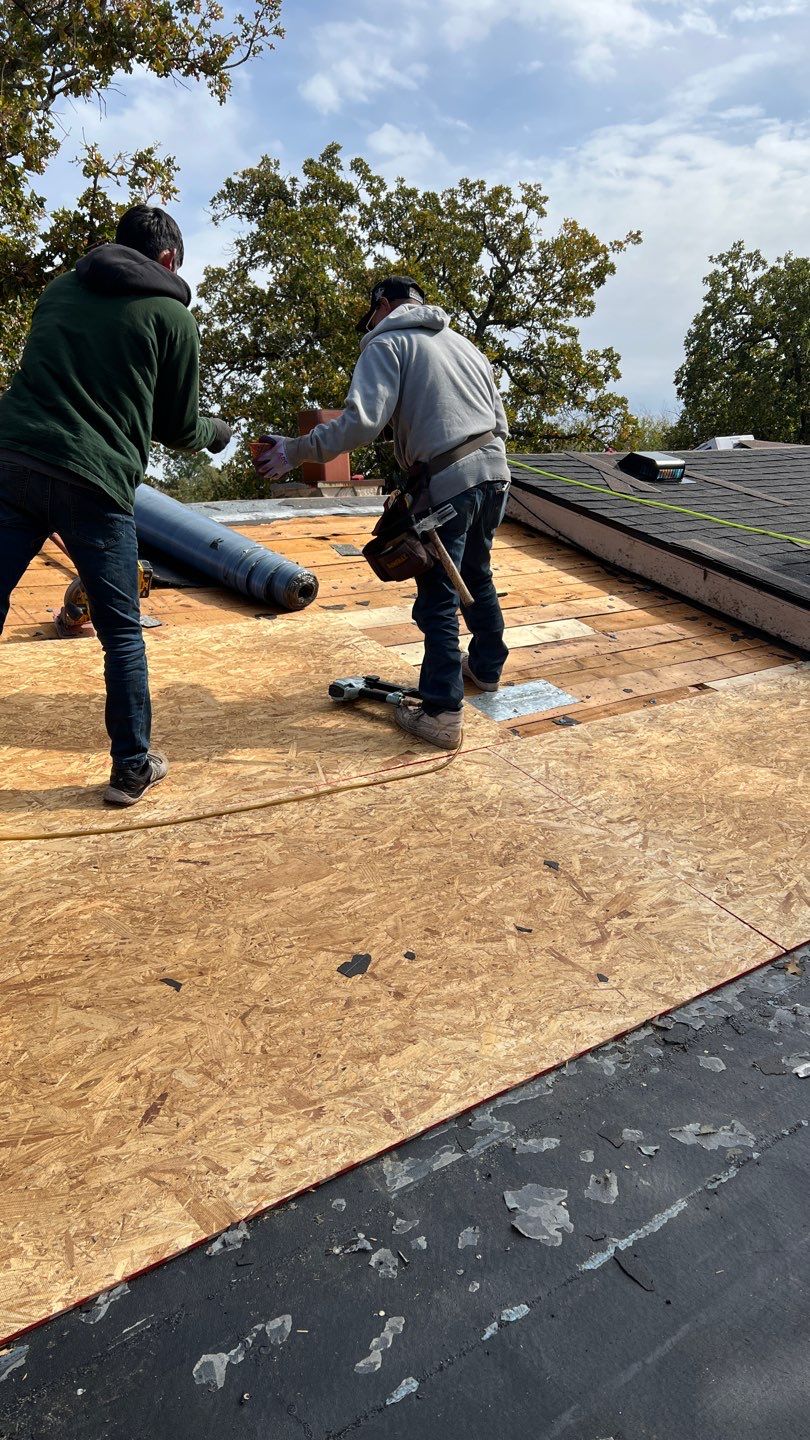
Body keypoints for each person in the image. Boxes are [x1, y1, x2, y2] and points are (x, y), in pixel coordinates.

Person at [0, 205, 232, 804]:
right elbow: (177, 427)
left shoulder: (59, 290)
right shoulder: (172, 317)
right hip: (95, 483)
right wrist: (217, 431)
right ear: (168, 259)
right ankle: (131, 767)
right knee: (121, 633)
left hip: (12, 461)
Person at [255, 275, 511, 749]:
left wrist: (293, 450)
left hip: (448, 481)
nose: (369, 325)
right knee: (476, 573)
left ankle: (442, 713)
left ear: (383, 307)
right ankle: (487, 668)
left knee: (437, 594)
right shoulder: (465, 346)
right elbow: (499, 421)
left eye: (371, 316)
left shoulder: (387, 344)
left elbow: (361, 424)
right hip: (496, 475)